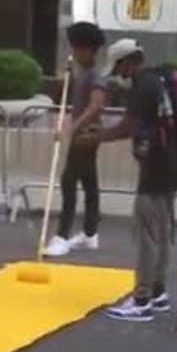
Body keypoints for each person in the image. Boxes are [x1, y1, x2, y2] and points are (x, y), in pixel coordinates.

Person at [76, 39, 177, 323]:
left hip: (156, 167)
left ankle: (142, 299)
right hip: (173, 164)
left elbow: (128, 127)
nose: (118, 73)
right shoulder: (157, 81)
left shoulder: (142, 87)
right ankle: (158, 293)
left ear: (129, 61)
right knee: (160, 232)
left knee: (146, 234)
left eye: (119, 66)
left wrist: (96, 137)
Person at [44, 22, 109, 258]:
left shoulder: (97, 77)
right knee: (89, 182)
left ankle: (62, 236)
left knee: (69, 180)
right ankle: (90, 233)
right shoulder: (82, 74)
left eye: (77, 48)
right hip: (85, 134)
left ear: (88, 50)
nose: (73, 53)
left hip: (86, 135)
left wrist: (73, 127)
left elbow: (95, 107)